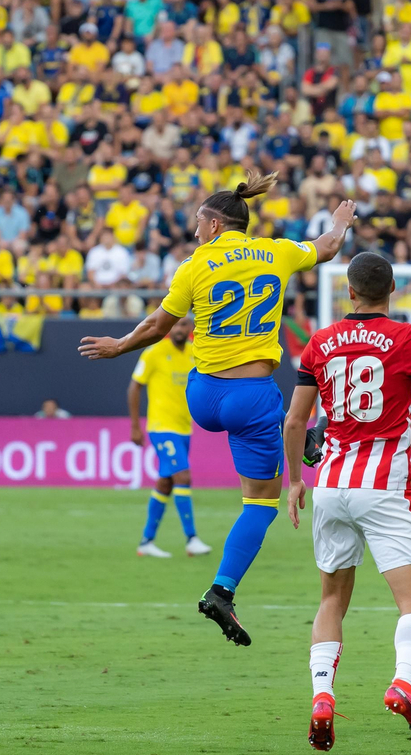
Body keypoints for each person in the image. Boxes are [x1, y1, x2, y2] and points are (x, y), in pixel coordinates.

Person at [80, 173, 355, 646]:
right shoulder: (277, 250)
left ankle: (308, 438)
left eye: (196, 225)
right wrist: (339, 221)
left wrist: (120, 345)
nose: (193, 233)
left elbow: (157, 324)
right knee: (262, 502)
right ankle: (222, 590)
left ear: (212, 225)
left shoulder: (193, 265)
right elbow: (327, 247)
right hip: (251, 400)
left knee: (282, 425)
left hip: (202, 396)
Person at [284, 252, 411, 751]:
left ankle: (322, 697)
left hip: (329, 484)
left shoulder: (320, 342)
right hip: (384, 485)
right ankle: (402, 683)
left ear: (350, 292)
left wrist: (294, 482)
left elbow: (294, 423)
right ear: (392, 290)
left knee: (331, 599)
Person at [128, 315, 211, 559]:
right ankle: (191, 539)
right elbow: (134, 386)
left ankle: (146, 541)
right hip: (162, 426)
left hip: (184, 427)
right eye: (175, 323)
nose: (179, 328)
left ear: (191, 327)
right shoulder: (154, 352)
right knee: (182, 476)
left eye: (184, 324)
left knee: (166, 483)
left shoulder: (195, 352)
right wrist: (135, 425)